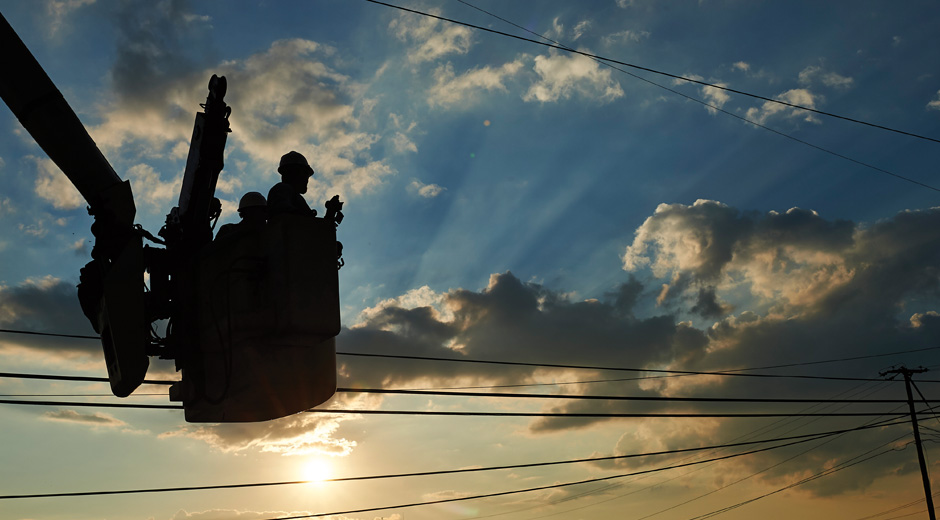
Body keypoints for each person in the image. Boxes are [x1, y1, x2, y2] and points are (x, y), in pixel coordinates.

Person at [268, 151, 316, 217]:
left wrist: (329, 214)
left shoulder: (297, 197)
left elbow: (311, 225)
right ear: (292, 173)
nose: (307, 179)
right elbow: (285, 215)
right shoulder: (282, 189)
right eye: (305, 173)